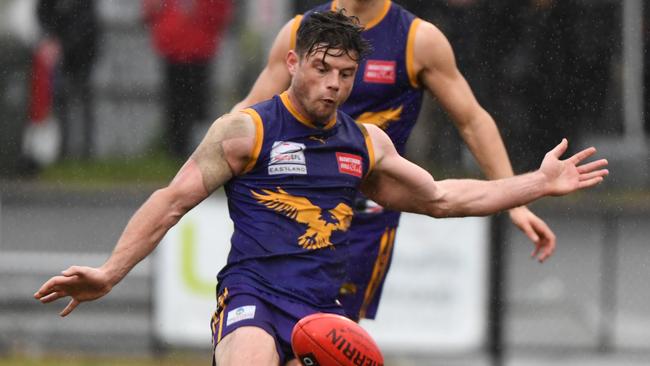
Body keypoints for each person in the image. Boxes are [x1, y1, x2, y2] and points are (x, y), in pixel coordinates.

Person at [34, 10, 608, 366]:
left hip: (322, 311)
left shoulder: (366, 145)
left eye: (346, 75)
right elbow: (168, 202)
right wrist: (110, 272)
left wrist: (534, 183)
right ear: (292, 62)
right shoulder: (244, 131)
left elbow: (442, 198)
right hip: (253, 296)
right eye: (322, 69)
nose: (334, 86)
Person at [230, 0, 557, 322]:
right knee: (267, 327)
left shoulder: (418, 40)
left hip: (366, 216)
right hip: (296, 206)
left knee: (329, 339)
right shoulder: (301, 31)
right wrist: (209, 167)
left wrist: (515, 201)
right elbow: (249, 112)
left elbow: (471, 120)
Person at [143, 0, 232, 159]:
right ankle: (177, 149)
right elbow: (151, 11)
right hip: (175, 50)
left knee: (197, 103)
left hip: (199, 50)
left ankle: (196, 148)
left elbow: (220, 14)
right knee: (176, 104)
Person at [36, 0, 99, 159]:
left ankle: (86, 152)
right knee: (60, 101)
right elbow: (43, 13)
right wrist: (50, 38)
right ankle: (63, 151)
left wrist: (61, 45)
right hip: (61, 55)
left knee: (82, 102)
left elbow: (86, 22)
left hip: (83, 53)